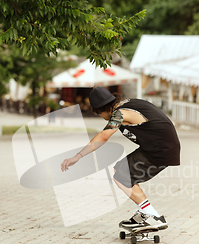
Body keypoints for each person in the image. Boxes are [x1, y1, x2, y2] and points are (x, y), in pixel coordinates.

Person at [60, 87, 181, 231]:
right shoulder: (129, 103)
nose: (103, 117)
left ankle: (152, 216)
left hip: (160, 150)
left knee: (121, 176)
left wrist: (78, 156)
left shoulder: (120, 113)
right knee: (120, 170)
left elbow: (103, 136)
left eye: (100, 114)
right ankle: (145, 213)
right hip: (159, 147)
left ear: (101, 109)